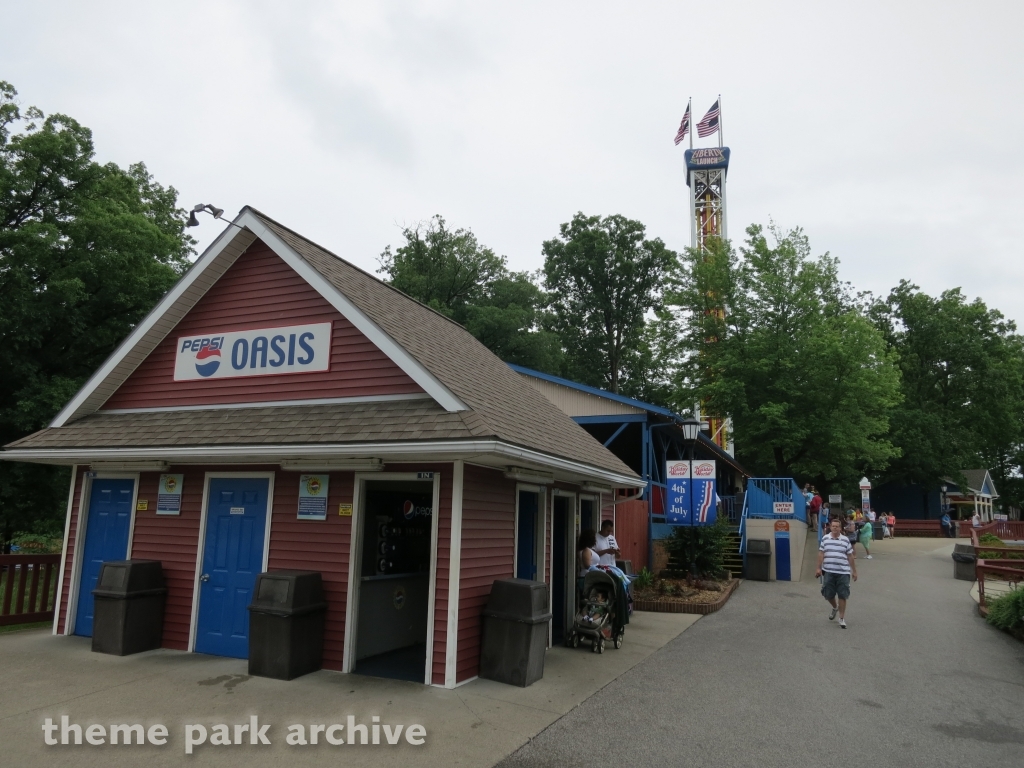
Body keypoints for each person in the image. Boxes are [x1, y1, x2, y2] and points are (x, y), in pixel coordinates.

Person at [816, 517, 858, 629]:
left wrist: (854, 571)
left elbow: (850, 556)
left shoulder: (845, 540)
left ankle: (841, 618)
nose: (835, 528)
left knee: (842, 594)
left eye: (837, 526)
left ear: (840, 528)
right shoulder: (825, 538)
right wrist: (818, 568)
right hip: (828, 571)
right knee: (828, 594)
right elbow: (821, 553)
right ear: (830, 527)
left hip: (843, 572)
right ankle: (835, 607)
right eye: (833, 526)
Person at [577, 529, 599, 595]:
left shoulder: (588, 549)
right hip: (587, 578)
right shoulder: (586, 550)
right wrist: (599, 570)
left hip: (590, 577)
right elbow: (587, 565)